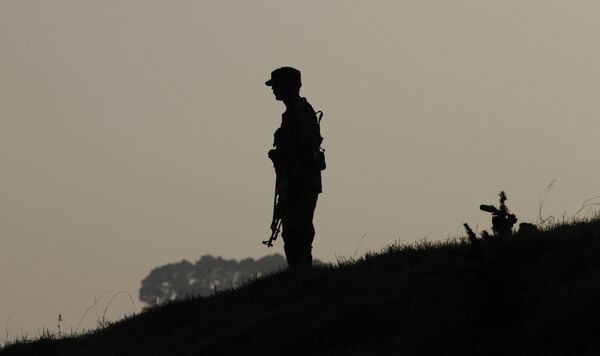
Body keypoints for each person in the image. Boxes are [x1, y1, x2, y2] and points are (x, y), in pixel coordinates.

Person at [266, 67, 323, 268]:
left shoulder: (300, 112)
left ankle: (302, 273)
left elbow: (305, 149)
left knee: (298, 232)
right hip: (294, 182)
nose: (274, 90)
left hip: (300, 182)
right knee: (292, 232)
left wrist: (288, 168)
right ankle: (299, 272)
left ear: (291, 85)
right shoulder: (293, 113)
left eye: (278, 85)